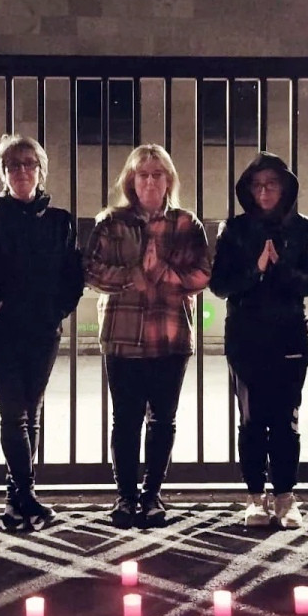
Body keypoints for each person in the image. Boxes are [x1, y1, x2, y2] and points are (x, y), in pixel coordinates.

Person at [0, 135, 85, 530]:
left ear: (41, 171)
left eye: (29, 164)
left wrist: (56, 310)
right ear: (3, 173)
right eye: (14, 165)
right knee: (13, 411)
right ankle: (24, 495)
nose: (22, 171)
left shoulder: (60, 222)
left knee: (32, 409)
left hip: (43, 328)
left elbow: (73, 276)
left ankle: (19, 497)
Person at [84, 144, 211, 529]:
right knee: (125, 420)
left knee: (163, 421)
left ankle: (153, 495)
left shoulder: (187, 224)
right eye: (143, 174)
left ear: (168, 180)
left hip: (170, 337)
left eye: (158, 174)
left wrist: (164, 274)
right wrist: (132, 276)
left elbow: (203, 273)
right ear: (131, 180)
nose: (151, 180)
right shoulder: (111, 222)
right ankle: (125, 497)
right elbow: (91, 271)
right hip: (123, 338)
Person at [210, 153, 308, 529]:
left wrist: (282, 268)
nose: (264, 192)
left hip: (289, 334)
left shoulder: (306, 229)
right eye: (257, 185)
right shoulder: (235, 230)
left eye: (271, 184)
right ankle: (255, 496)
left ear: (286, 186)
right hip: (245, 336)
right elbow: (220, 285)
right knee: (252, 420)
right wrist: (256, 270)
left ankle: (286, 497)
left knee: (286, 419)